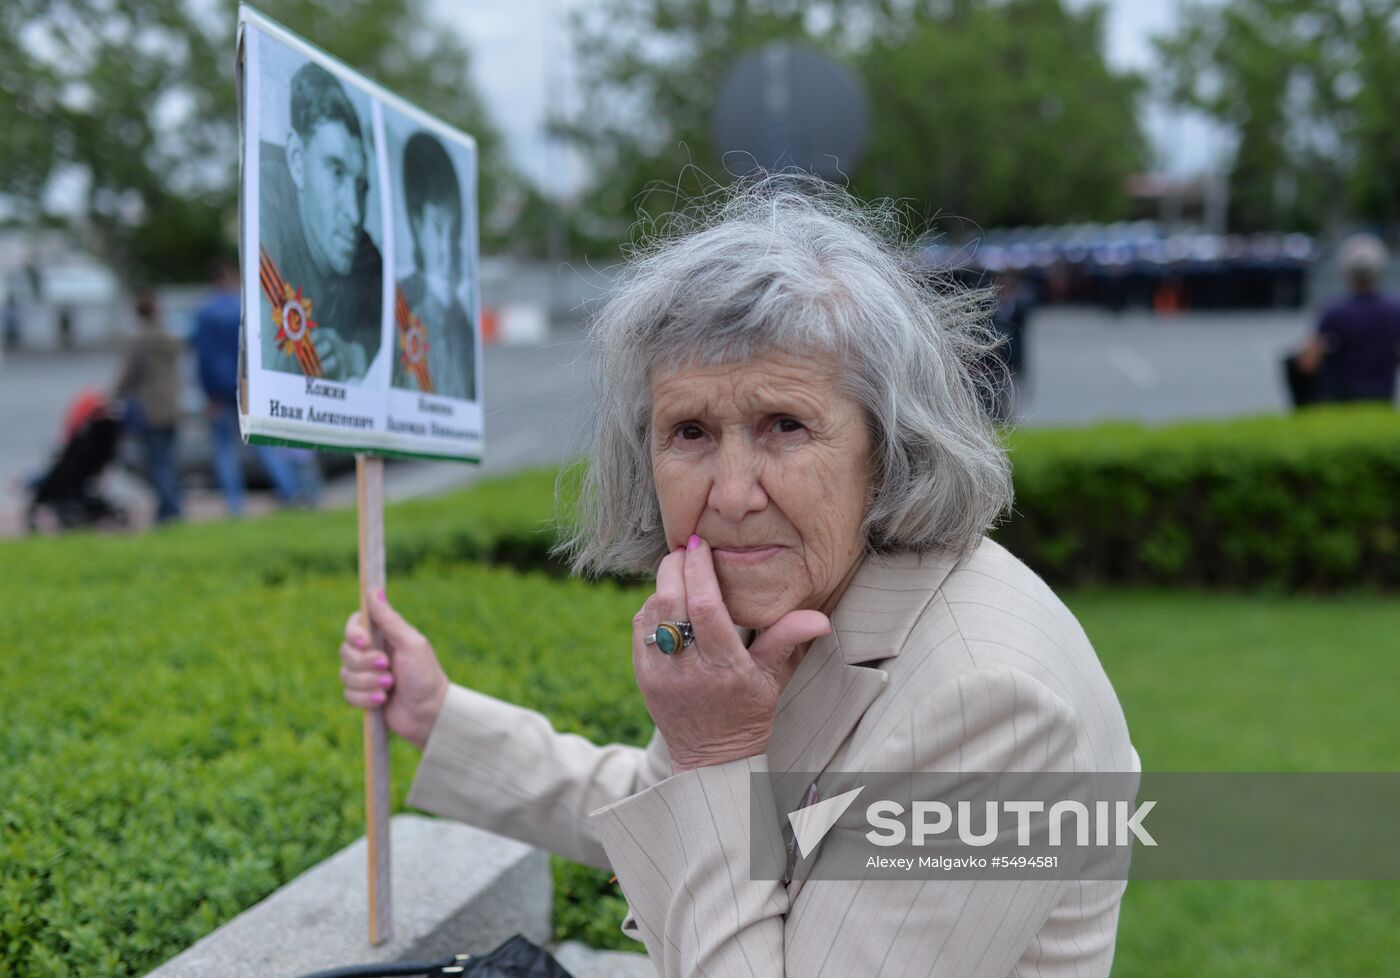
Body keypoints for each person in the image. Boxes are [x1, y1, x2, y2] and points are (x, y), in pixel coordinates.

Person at [336, 179, 1139, 977]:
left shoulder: (989, 708)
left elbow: (711, 789)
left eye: (784, 426)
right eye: (689, 431)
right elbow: (677, 800)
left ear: (889, 446)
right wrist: (440, 717)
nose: (730, 494)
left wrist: (720, 752)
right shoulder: (811, 594)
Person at [260, 61, 382, 383]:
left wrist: (355, 354)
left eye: (360, 187)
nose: (355, 215)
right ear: (297, 162)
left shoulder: (366, 257)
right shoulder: (265, 205)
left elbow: (383, 335)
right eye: (336, 173)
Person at [191, 260, 305, 514]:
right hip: (248, 387)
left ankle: (235, 505)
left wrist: (209, 393)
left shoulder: (206, 313)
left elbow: (203, 357)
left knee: (225, 451)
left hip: (220, 391)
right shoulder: (246, 307)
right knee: (262, 444)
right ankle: (290, 492)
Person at [392, 130, 476, 400]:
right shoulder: (400, 305)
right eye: (438, 228)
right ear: (417, 226)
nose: (447, 250)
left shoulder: (462, 319)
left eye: (455, 231)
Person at [1295, 233, 1400, 403]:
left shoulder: (1333, 312)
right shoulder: (1395, 310)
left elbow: (1308, 363)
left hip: (1344, 401)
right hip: (1383, 399)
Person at [114, 290, 182, 524]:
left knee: (156, 463)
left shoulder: (139, 341)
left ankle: (168, 511)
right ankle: (171, 507)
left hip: (150, 409)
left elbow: (126, 377)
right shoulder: (169, 337)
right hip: (172, 407)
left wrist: (111, 396)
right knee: (169, 461)